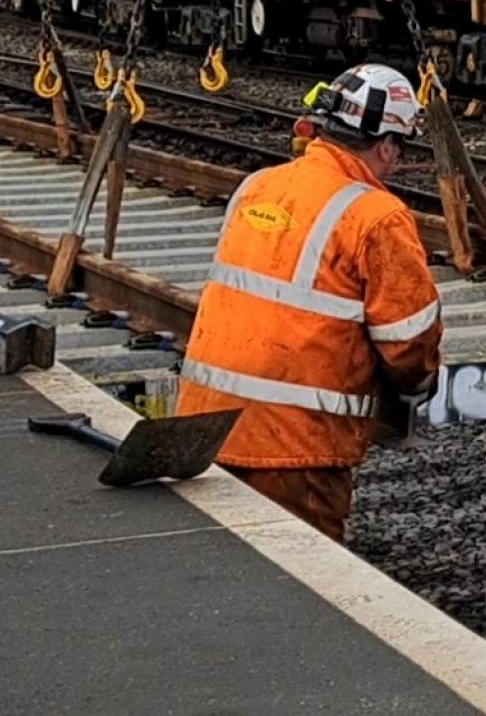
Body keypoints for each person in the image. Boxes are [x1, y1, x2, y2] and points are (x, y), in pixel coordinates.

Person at [176, 65, 444, 542]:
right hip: (296, 444)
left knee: (224, 566)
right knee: (300, 587)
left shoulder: (256, 186)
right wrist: (418, 390)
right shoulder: (376, 216)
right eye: (398, 150)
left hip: (203, 427)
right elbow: (409, 342)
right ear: (385, 145)